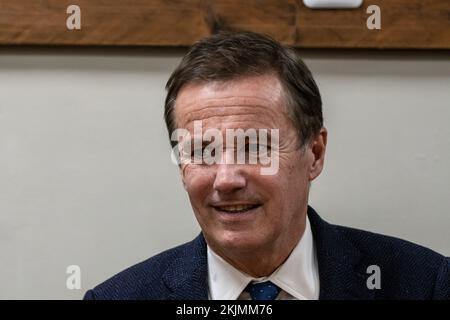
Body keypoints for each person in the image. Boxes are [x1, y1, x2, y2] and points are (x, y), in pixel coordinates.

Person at [84, 31, 449, 300]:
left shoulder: (426, 284)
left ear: (315, 153)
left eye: (254, 147)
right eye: (202, 151)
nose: (226, 179)